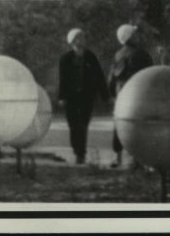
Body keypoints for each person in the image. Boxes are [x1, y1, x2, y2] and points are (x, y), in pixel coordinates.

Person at [57, 28, 110, 164]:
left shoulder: (90, 57)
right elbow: (62, 79)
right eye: (78, 38)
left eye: (83, 37)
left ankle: (81, 153)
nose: (82, 40)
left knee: (83, 124)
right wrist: (62, 97)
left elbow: (99, 76)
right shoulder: (66, 59)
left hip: (87, 96)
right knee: (73, 125)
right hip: (71, 98)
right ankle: (76, 149)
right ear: (72, 41)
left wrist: (105, 95)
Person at [107, 23, 154, 168]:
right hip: (139, 95)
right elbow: (150, 76)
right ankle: (139, 160)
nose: (138, 37)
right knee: (141, 125)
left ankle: (118, 157)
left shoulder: (118, 55)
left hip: (121, 95)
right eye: (135, 34)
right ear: (130, 37)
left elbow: (111, 78)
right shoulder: (142, 54)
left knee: (120, 124)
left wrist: (111, 94)